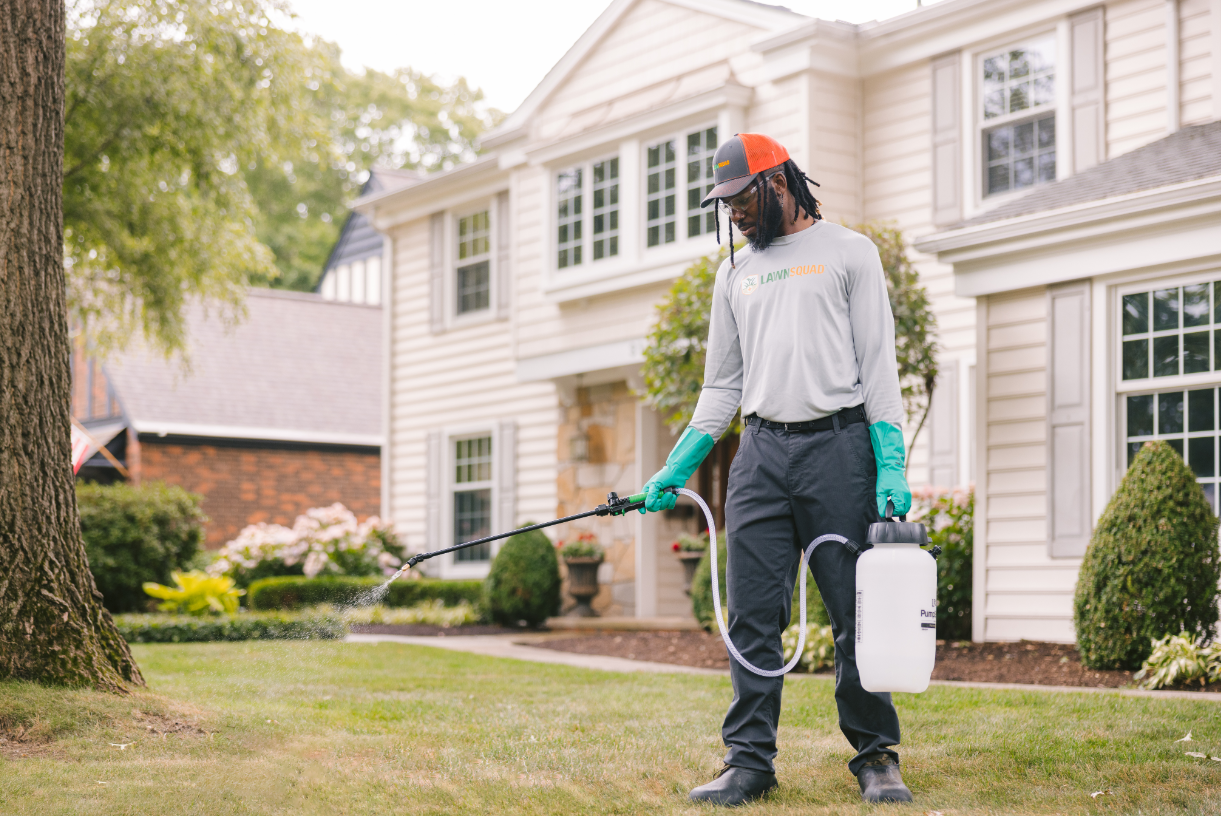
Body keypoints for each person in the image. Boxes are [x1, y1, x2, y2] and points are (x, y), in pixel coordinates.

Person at [641, 133, 914, 806]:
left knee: (856, 613)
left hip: (839, 450)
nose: (731, 212)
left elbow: (878, 366)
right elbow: (722, 385)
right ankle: (749, 762)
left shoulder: (849, 252)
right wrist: (677, 464)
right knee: (751, 616)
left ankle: (875, 755)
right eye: (722, 201)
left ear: (778, 184)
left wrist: (890, 462)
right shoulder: (734, 273)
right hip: (759, 455)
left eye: (739, 198)